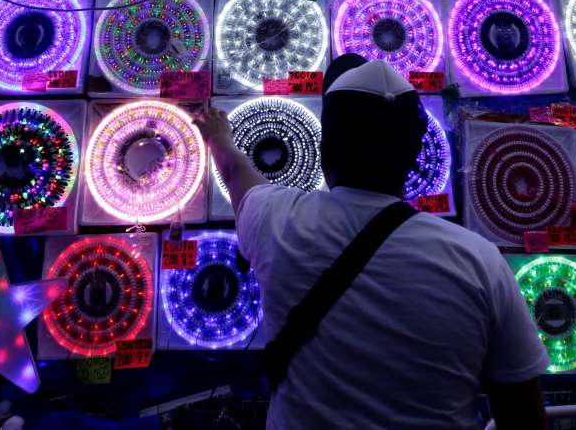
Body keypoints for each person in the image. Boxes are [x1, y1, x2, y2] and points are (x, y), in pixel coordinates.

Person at [195, 54, 549, 430]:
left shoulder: (276, 220)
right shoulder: (479, 261)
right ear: (415, 155)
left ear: (323, 149)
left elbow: (235, 172)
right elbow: (524, 415)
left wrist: (219, 136)